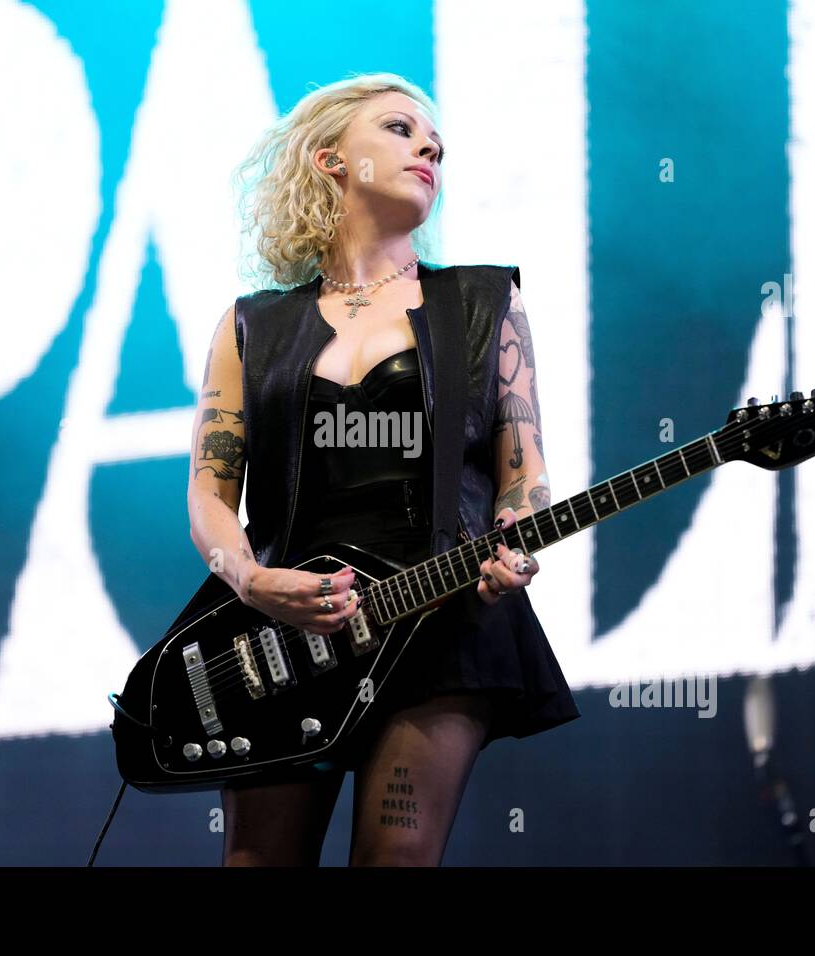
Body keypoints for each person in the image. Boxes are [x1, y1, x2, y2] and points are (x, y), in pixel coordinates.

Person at [186, 73, 579, 866]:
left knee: (396, 858)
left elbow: (523, 466)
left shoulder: (482, 301)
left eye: (434, 139)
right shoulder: (251, 325)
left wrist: (514, 534)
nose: (429, 146)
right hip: (292, 630)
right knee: (256, 862)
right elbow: (209, 490)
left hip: (442, 613)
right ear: (332, 159)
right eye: (400, 129)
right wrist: (255, 583)